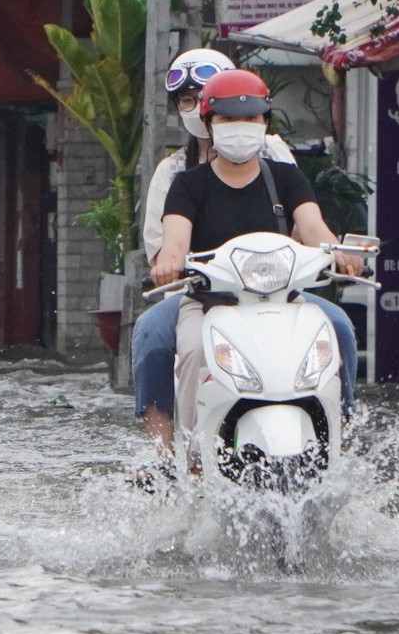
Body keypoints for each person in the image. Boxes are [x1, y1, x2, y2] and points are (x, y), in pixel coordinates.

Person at [129, 51, 359, 475]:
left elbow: (312, 226)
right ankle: (184, 458)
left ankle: (340, 440)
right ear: (208, 121)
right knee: (183, 347)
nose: (242, 127)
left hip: (280, 297)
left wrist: (337, 252)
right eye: (228, 118)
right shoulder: (182, 179)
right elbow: (173, 241)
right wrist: (170, 262)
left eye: (251, 117)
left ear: (265, 121)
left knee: (337, 329)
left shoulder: (284, 172)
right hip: (209, 299)